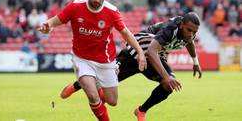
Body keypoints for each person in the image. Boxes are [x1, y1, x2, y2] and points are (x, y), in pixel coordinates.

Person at [38, 0, 147, 121]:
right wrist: (47, 27)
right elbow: (53, 22)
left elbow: (126, 33)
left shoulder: (112, 11)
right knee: (92, 96)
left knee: (113, 101)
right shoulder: (75, 7)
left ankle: (77, 86)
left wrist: (140, 52)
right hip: (82, 59)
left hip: (105, 61)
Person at [59, 12, 202, 121]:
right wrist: (166, 76)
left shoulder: (190, 33)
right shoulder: (170, 29)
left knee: (168, 85)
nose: (191, 34)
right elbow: (151, 51)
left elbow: (189, 43)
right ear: (182, 24)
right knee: (103, 78)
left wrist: (195, 62)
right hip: (139, 49)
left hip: (156, 56)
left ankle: (141, 110)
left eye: (194, 32)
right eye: (189, 30)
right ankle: (76, 86)